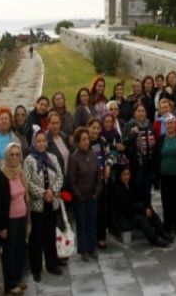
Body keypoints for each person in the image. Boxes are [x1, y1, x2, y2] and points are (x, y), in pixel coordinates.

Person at [24, 128, 64, 282]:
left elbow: (60, 177)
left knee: (50, 235)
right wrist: (43, 193)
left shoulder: (52, 158)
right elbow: (27, 182)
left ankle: (52, 264)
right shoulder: (29, 160)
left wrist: (52, 191)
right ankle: (36, 269)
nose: (41, 144)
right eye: (38, 141)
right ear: (34, 142)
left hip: (51, 203)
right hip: (37, 206)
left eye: (43, 140)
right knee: (36, 238)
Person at [0, 143, 29, 295]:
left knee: (19, 249)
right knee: (9, 252)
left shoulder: (20, 172)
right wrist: (2, 227)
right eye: (11, 154)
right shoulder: (2, 176)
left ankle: (17, 277)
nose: (14, 157)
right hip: (10, 221)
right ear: (6, 156)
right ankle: (10, 283)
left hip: (21, 218)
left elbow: (25, 196)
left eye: (17, 154)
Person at [112, 165, 171, 247]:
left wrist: (146, 207)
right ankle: (155, 239)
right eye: (124, 174)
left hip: (130, 214)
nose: (126, 177)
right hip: (123, 219)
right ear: (119, 176)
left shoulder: (128, 185)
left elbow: (137, 198)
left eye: (128, 174)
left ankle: (163, 232)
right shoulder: (118, 189)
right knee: (141, 218)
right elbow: (127, 208)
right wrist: (143, 211)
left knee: (149, 210)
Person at [69, 128, 102, 262]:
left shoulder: (93, 154)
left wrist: (97, 192)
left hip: (92, 196)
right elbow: (71, 180)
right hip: (80, 198)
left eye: (87, 139)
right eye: (83, 139)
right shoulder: (74, 158)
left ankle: (92, 247)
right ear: (77, 142)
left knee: (92, 222)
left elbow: (98, 175)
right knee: (82, 224)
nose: (86, 142)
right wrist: (79, 196)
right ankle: (83, 250)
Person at [154, 114, 176, 235]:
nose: (170, 125)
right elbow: (156, 157)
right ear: (165, 125)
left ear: (175, 124)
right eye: (167, 123)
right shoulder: (161, 139)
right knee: (166, 200)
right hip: (164, 176)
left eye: (172, 123)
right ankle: (167, 225)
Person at [122, 102, 158, 208]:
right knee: (137, 190)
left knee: (147, 191)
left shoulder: (149, 124)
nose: (141, 113)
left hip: (148, 164)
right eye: (138, 111)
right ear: (134, 113)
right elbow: (125, 143)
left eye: (143, 111)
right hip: (136, 164)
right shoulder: (129, 125)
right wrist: (133, 133)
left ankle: (148, 210)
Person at [87, 117, 110, 248]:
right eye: (93, 128)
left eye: (97, 128)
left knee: (102, 209)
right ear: (88, 127)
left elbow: (109, 155)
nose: (95, 130)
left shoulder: (102, 140)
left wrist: (108, 166)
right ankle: (91, 237)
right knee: (91, 211)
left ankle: (101, 236)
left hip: (101, 181)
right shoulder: (85, 141)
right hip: (89, 182)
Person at [45, 111, 71, 177]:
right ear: (48, 124)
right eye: (53, 123)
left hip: (67, 176)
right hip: (55, 179)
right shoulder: (45, 140)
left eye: (57, 123)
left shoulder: (64, 136)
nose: (55, 126)